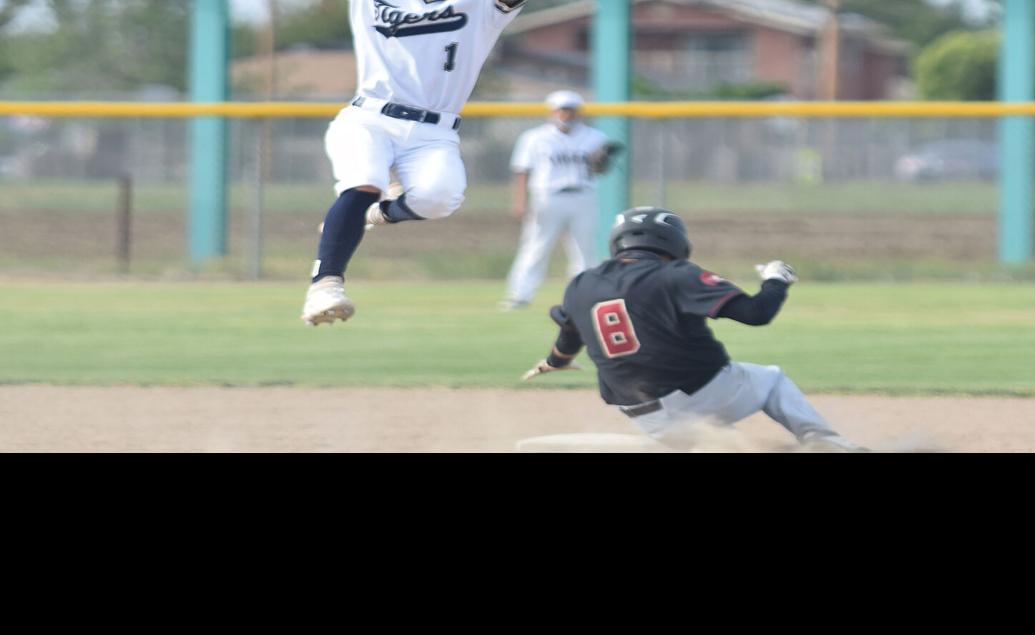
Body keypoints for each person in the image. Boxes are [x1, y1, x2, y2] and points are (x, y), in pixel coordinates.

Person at [520, 207, 866, 452]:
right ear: (674, 243)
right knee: (772, 381)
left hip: (643, 415)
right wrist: (777, 280)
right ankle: (828, 444)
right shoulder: (677, 275)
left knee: (715, 437)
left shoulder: (581, 284)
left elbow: (569, 333)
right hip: (700, 392)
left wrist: (555, 362)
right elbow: (756, 313)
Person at [302, 0, 528, 327]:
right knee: (364, 180)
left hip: (435, 132)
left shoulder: (481, 7)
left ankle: (370, 214)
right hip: (369, 117)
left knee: (439, 198)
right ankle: (325, 284)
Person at [501, 90, 621, 311]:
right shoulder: (534, 137)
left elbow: (599, 171)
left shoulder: (594, 137)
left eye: (571, 110)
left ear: (579, 112)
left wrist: (601, 163)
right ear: (552, 111)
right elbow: (522, 171)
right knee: (536, 247)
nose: (566, 114)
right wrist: (520, 202)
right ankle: (519, 294)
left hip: (582, 195)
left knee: (585, 248)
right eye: (562, 110)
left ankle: (585, 295)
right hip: (547, 197)